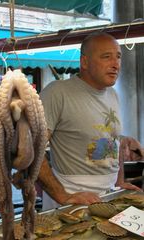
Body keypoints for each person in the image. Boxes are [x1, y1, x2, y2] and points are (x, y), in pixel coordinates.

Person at [38, 32, 144, 211]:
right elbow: (32, 151)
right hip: (73, 196)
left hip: (109, 193)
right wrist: (62, 196)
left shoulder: (112, 94)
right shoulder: (57, 93)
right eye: (106, 57)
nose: (115, 64)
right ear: (84, 62)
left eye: (118, 57)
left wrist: (119, 183)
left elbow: (113, 141)